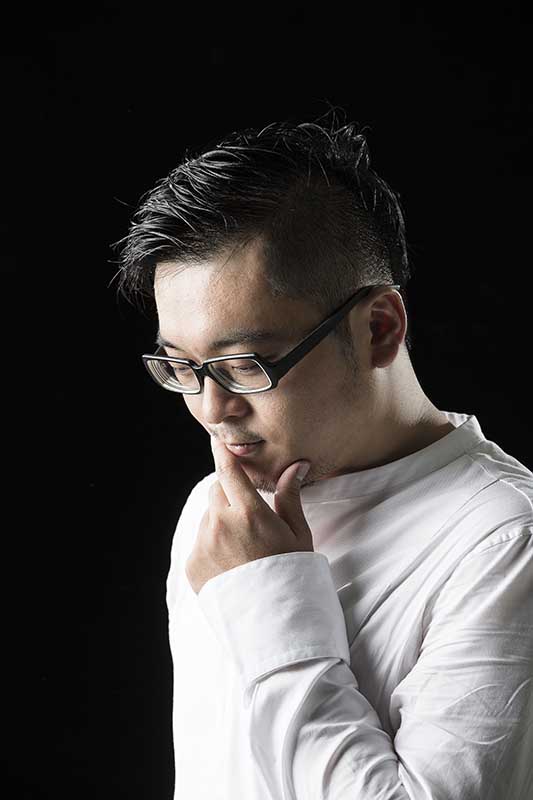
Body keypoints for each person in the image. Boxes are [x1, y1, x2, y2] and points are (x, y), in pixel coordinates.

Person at [112, 115, 533, 799]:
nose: (212, 409)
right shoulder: (215, 516)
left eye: (245, 364)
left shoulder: (506, 544)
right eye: (182, 366)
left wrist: (266, 598)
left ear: (379, 330)